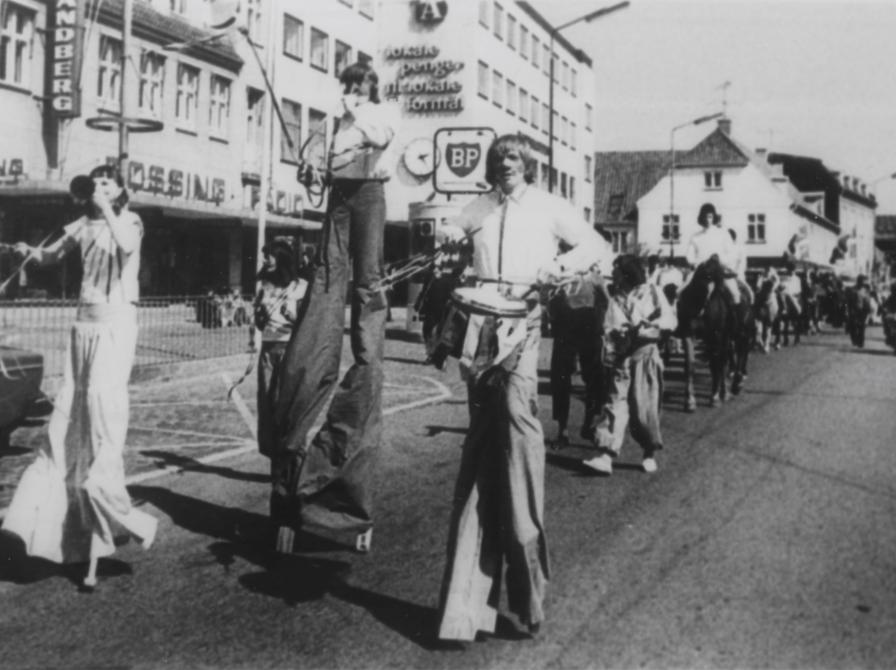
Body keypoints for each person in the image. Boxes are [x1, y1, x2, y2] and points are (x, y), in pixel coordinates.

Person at [436, 134, 614, 642]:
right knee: (480, 449)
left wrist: (555, 268)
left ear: (527, 166)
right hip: (480, 331)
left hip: (523, 326)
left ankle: (528, 593)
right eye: (498, 161)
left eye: (513, 160)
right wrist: (447, 236)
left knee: (517, 441)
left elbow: (594, 245)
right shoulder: (482, 205)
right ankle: (464, 608)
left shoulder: (547, 207)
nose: (505, 167)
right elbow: (453, 228)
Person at [1, 165, 157, 589]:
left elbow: (125, 245)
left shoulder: (130, 221)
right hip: (82, 326)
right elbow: (53, 255)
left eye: (109, 182)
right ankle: (61, 534)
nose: (100, 187)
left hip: (114, 326)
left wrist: (106, 206)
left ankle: (114, 514)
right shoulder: (83, 223)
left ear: (122, 189)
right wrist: (27, 251)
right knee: (69, 417)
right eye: (97, 182)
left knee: (102, 413)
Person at [271, 61, 398, 553]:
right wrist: (311, 168)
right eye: (346, 85)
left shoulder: (380, 111)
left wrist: (355, 115)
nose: (349, 91)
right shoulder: (331, 123)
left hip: (369, 193)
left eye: (357, 85)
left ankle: (368, 341)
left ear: (370, 88)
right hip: (340, 196)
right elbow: (318, 168)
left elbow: (381, 135)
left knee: (366, 281)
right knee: (327, 274)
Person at [582, 254, 677, 475]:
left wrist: (649, 324)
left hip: (646, 355)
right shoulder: (615, 299)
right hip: (623, 357)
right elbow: (608, 326)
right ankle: (606, 455)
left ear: (626, 274)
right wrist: (618, 332)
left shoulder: (653, 292)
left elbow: (670, 320)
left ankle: (649, 451)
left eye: (616, 272)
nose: (613, 276)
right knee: (615, 404)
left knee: (644, 409)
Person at [252, 237, 307, 541]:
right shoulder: (264, 285)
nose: (266, 260)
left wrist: (292, 317)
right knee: (268, 410)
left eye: (270, 255)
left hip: (289, 351)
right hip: (268, 351)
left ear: (282, 256)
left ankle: (291, 472)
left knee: (287, 412)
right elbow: (260, 323)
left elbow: (306, 323)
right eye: (265, 255)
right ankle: (276, 467)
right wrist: (259, 318)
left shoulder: (300, 286)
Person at [548, 266, 603, 447]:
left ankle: (589, 423)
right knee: (560, 378)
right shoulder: (557, 270)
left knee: (594, 378)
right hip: (564, 326)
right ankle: (562, 430)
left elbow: (606, 301)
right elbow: (548, 302)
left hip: (590, 324)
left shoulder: (595, 275)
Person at [683, 203, 739, 304]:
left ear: (714, 218)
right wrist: (697, 263)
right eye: (704, 217)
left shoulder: (723, 234)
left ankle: (738, 319)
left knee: (735, 294)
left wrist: (721, 261)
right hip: (701, 272)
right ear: (701, 218)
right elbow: (689, 256)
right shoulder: (695, 237)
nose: (707, 219)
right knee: (682, 291)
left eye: (710, 216)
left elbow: (732, 253)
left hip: (720, 272)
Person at [727, 228, 754, 304]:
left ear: (733, 238)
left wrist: (735, 273)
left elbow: (742, 264)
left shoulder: (739, 249)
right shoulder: (722, 250)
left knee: (743, 294)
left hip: (736, 276)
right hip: (724, 276)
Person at [846, 274, 873, 348]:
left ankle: (861, 342)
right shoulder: (852, 289)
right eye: (860, 281)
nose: (862, 283)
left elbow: (867, 301)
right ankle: (854, 339)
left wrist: (869, 311)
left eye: (863, 282)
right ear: (858, 281)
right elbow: (849, 301)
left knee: (862, 327)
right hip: (854, 310)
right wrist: (849, 310)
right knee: (853, 326)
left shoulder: (865, 290)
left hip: (863, 311)